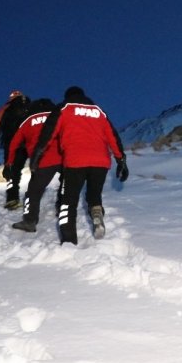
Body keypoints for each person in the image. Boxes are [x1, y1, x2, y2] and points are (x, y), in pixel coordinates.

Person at [34, 86, 128, 245]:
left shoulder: (64, 108)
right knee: (94, 195)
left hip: (75, 160)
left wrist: (38, 154)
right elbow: (112, 136)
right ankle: (97, 212)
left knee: (68, 201)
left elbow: (48, 132)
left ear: (67, 96)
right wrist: (121, 161)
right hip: (100, 161)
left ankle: (69, 241)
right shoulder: (98, 111)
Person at [5, 98, 61, 233]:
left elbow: (14, 144)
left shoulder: (27, 121)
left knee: (33, 192)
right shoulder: (58, 116)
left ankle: (30, 221)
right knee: (66, 184)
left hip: (41, 161)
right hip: (62, 157)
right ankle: (62, 208)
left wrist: (9, 163)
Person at [0, 90, 31, 209]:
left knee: (12, 169)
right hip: (29, 142)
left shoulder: (6, 108)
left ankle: (12, 199)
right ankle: (34, 196)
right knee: (37, 169)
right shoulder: (30, 106)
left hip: (11, 142)